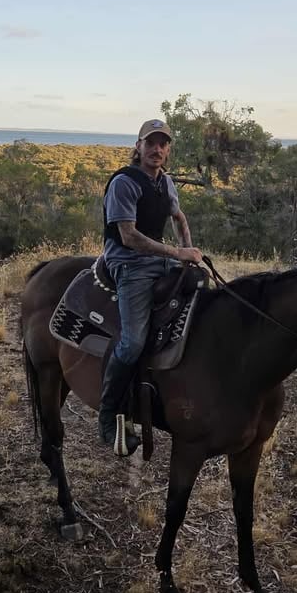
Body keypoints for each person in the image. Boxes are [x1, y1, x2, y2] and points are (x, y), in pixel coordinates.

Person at [99, 118, 202, 454]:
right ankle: (108, 413)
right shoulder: (124, 183)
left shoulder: (165, 182)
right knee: (131, 342)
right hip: (128, 264)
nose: (157, 149)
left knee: (202, 292)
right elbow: (128, 237)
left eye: (163, 144)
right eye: (151, 142)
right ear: (138, 146)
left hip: (160, 259)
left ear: (168, 150)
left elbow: (179, 217)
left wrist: (188, 253)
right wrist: (177, 251)